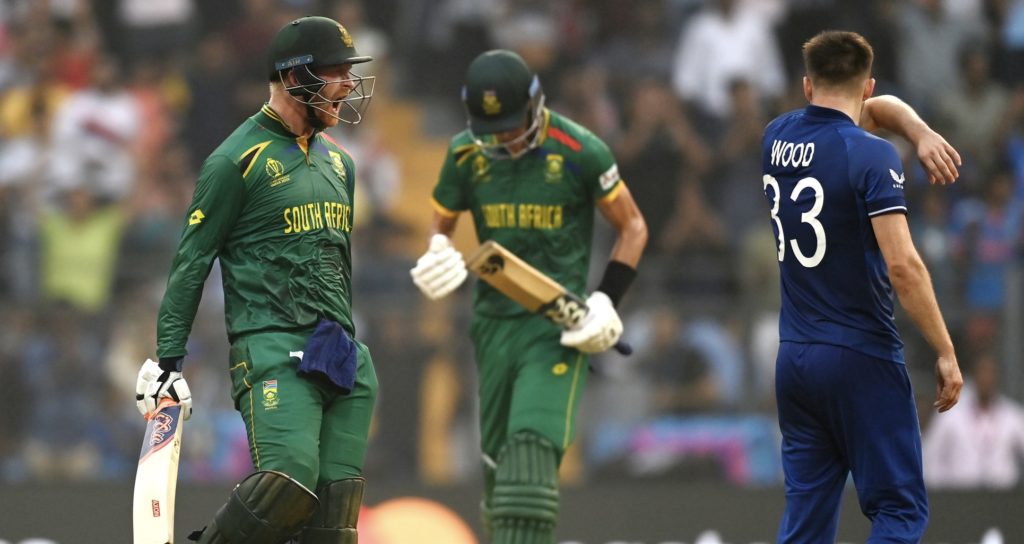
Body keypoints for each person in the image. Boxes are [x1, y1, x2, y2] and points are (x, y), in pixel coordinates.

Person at [133, 15, 377, 544]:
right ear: (294, 78)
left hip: (340, 351)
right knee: (286, 483)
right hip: (270, 343)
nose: (349, 84)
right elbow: (191, 260)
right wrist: (168, 359)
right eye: (336, 71)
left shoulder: (341, 164)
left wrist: (351, 344)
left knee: (335, 523)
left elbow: (340, 264)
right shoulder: (234, 160)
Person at [410, 49, 647, 543]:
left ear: (537, 104)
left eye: (514, 127)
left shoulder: (581, 150)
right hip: (492, 324)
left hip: (557, 326)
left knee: (528, 464)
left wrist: (605, 300)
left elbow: (633, 226)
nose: (505, 140)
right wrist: (437, 250)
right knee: (499, 480)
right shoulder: (464, 154)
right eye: (493, 131)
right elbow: (442, 221)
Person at [761, 31, 964, 543]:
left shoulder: (775, 136)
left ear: (807, 86)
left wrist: (919, 131)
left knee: (805, 521)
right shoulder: (870, 155)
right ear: (867, 84)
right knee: (897, 509)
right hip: (861, 355)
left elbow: (867, 113)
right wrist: (944, 348)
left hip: (796, 361)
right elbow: (905, 268)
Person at [923, 351, 1024, 489]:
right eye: (982, 372)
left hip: (1004, 499)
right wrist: (944, 491)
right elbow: (931, 457)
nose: (986, 379)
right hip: (959, 496)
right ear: (973, 376)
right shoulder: (949, 414)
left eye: (990, 373)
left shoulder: (1013, 416)